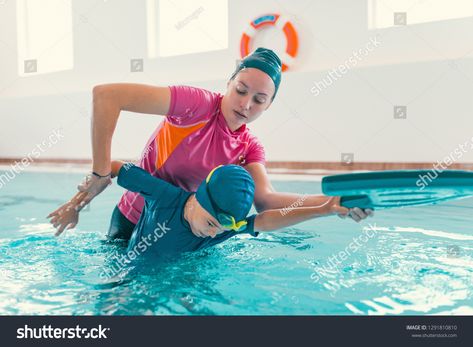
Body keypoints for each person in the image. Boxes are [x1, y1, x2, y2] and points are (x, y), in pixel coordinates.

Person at [49, 47, 373, 241]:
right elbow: (107, 95)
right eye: (241, 90)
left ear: (269, 105)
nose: (246, 104)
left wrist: (331, 203)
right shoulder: (196, 104)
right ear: (228, 82)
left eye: (260, 100)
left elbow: (266, 202)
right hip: (133, 220)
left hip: (189, 230)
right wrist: (94, 179)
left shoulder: (249, 147)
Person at [48, 162, 352, 257]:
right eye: (210, 223)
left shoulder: (219, 228)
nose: (213, 233)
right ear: (197, 197)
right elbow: (114, 168)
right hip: (128, 268)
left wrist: (325, 208)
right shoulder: (166, 196)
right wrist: (78, 204)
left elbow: (265, 221)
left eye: (222, 228)